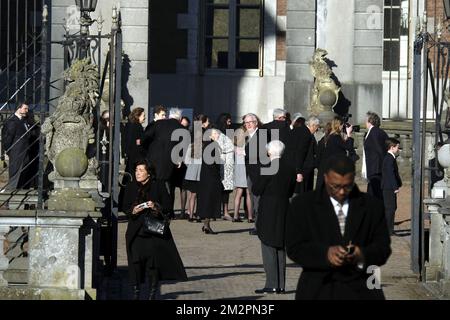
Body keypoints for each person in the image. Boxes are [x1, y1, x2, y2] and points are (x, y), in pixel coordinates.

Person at [286, 155, 391, 300]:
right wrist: (325, 254)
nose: (341, 192)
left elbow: (383, 248)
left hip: (362, 289)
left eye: (347, 186)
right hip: (318, 289)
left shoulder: (372, 207)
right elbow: (294, 247)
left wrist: (362, 254)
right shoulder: (303, 205)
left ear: (353, 178)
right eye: (335, 186)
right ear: (326, 178)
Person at [122, 160, 187, 300]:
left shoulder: (158, 186)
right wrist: (133, 210)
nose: (137, 173)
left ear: (148, 173)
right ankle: (136, 293)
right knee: (135, 263)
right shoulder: (131, 186)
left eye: (140, 170)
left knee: (153, 266)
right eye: (136, 170)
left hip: (153, 232)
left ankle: (152, 294)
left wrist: (155, 206)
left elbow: (168, 207)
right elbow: (125, 206)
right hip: (136, 231)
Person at [252, 140, 295, 294]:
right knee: (280, 245)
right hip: (284, 207)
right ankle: (281, 285)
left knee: (268, 244)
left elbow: (257, 189)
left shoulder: (268, 167)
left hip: (269, 208)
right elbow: (291, 190)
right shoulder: (290, 168)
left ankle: (271, 283)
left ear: (269, 152)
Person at [142, 107, 188, 218]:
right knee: (166, 186)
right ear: (180, 118)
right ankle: (166, 210)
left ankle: (150, 208)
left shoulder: (158, 124)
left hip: (152, 158)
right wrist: (179, 158)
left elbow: (146, 137)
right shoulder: (181, 128)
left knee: (152, 184)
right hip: (168, 162)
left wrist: (147, 150)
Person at [1, 101, 35, 190]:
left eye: (27, 109)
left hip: (26, 153)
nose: (27, 111)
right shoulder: (12, 121)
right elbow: (7, 139)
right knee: (15, 177)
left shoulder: (24, 121)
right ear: (19, 108)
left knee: (23, 177)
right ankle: (10, 198)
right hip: (17, 153)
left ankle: (20, 196)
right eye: (25, 108)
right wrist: (10, 152)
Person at [315, 117, 355, 189]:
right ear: (339, 125)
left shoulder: (328, 137)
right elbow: (349, 148)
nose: (343, 127)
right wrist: (349, 134)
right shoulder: (335, 137)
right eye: (342, 125)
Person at [196, 129, 223, 234]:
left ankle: (206, 224)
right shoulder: (211, 145)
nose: (218, 135)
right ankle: (206, 225)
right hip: (211, 176)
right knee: (209, 201)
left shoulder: (207, 144)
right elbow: (212, 162)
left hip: (205, 175)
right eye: (216, 134)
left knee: (206, 200)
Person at [362, 111, 389, 200]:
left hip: (375, 168)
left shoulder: (374, 132)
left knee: (375, 194)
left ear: (370, 121)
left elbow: (380, 150)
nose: (365, 122)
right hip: (375, 168)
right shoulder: (379, 132)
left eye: (366, 120)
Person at [232, 127, 254, 222]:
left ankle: (235, 216)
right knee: (249, 194)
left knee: (238, 193)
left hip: (238, 169)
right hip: (246, 169)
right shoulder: (247, 145)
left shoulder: (235, 146)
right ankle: (250, 216)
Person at [381, 138, 402, 236]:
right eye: (397, 147)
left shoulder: (390, 157)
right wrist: (395, 187)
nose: (398, 149)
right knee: (390, 208)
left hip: (388, 186)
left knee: (391, 208)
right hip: (389, 187)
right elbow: (390, 174)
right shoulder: (389, 158)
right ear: (392, 147)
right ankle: (388, 230)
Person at [123, 107, 146, 175]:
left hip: (132, 154)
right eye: (143, 116)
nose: (144, 118)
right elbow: (137, 141)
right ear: (138, 116)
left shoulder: (132, 125)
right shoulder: (137, 126)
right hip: (136, 154)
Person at [303, 116, 320, 191]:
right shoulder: (309, 135)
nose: (317, 129)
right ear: (313, 125)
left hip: (306, 165)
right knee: (307, 188)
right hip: (307, 166)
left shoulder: (308, 134)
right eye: (317, 127)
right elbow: (316, 150)